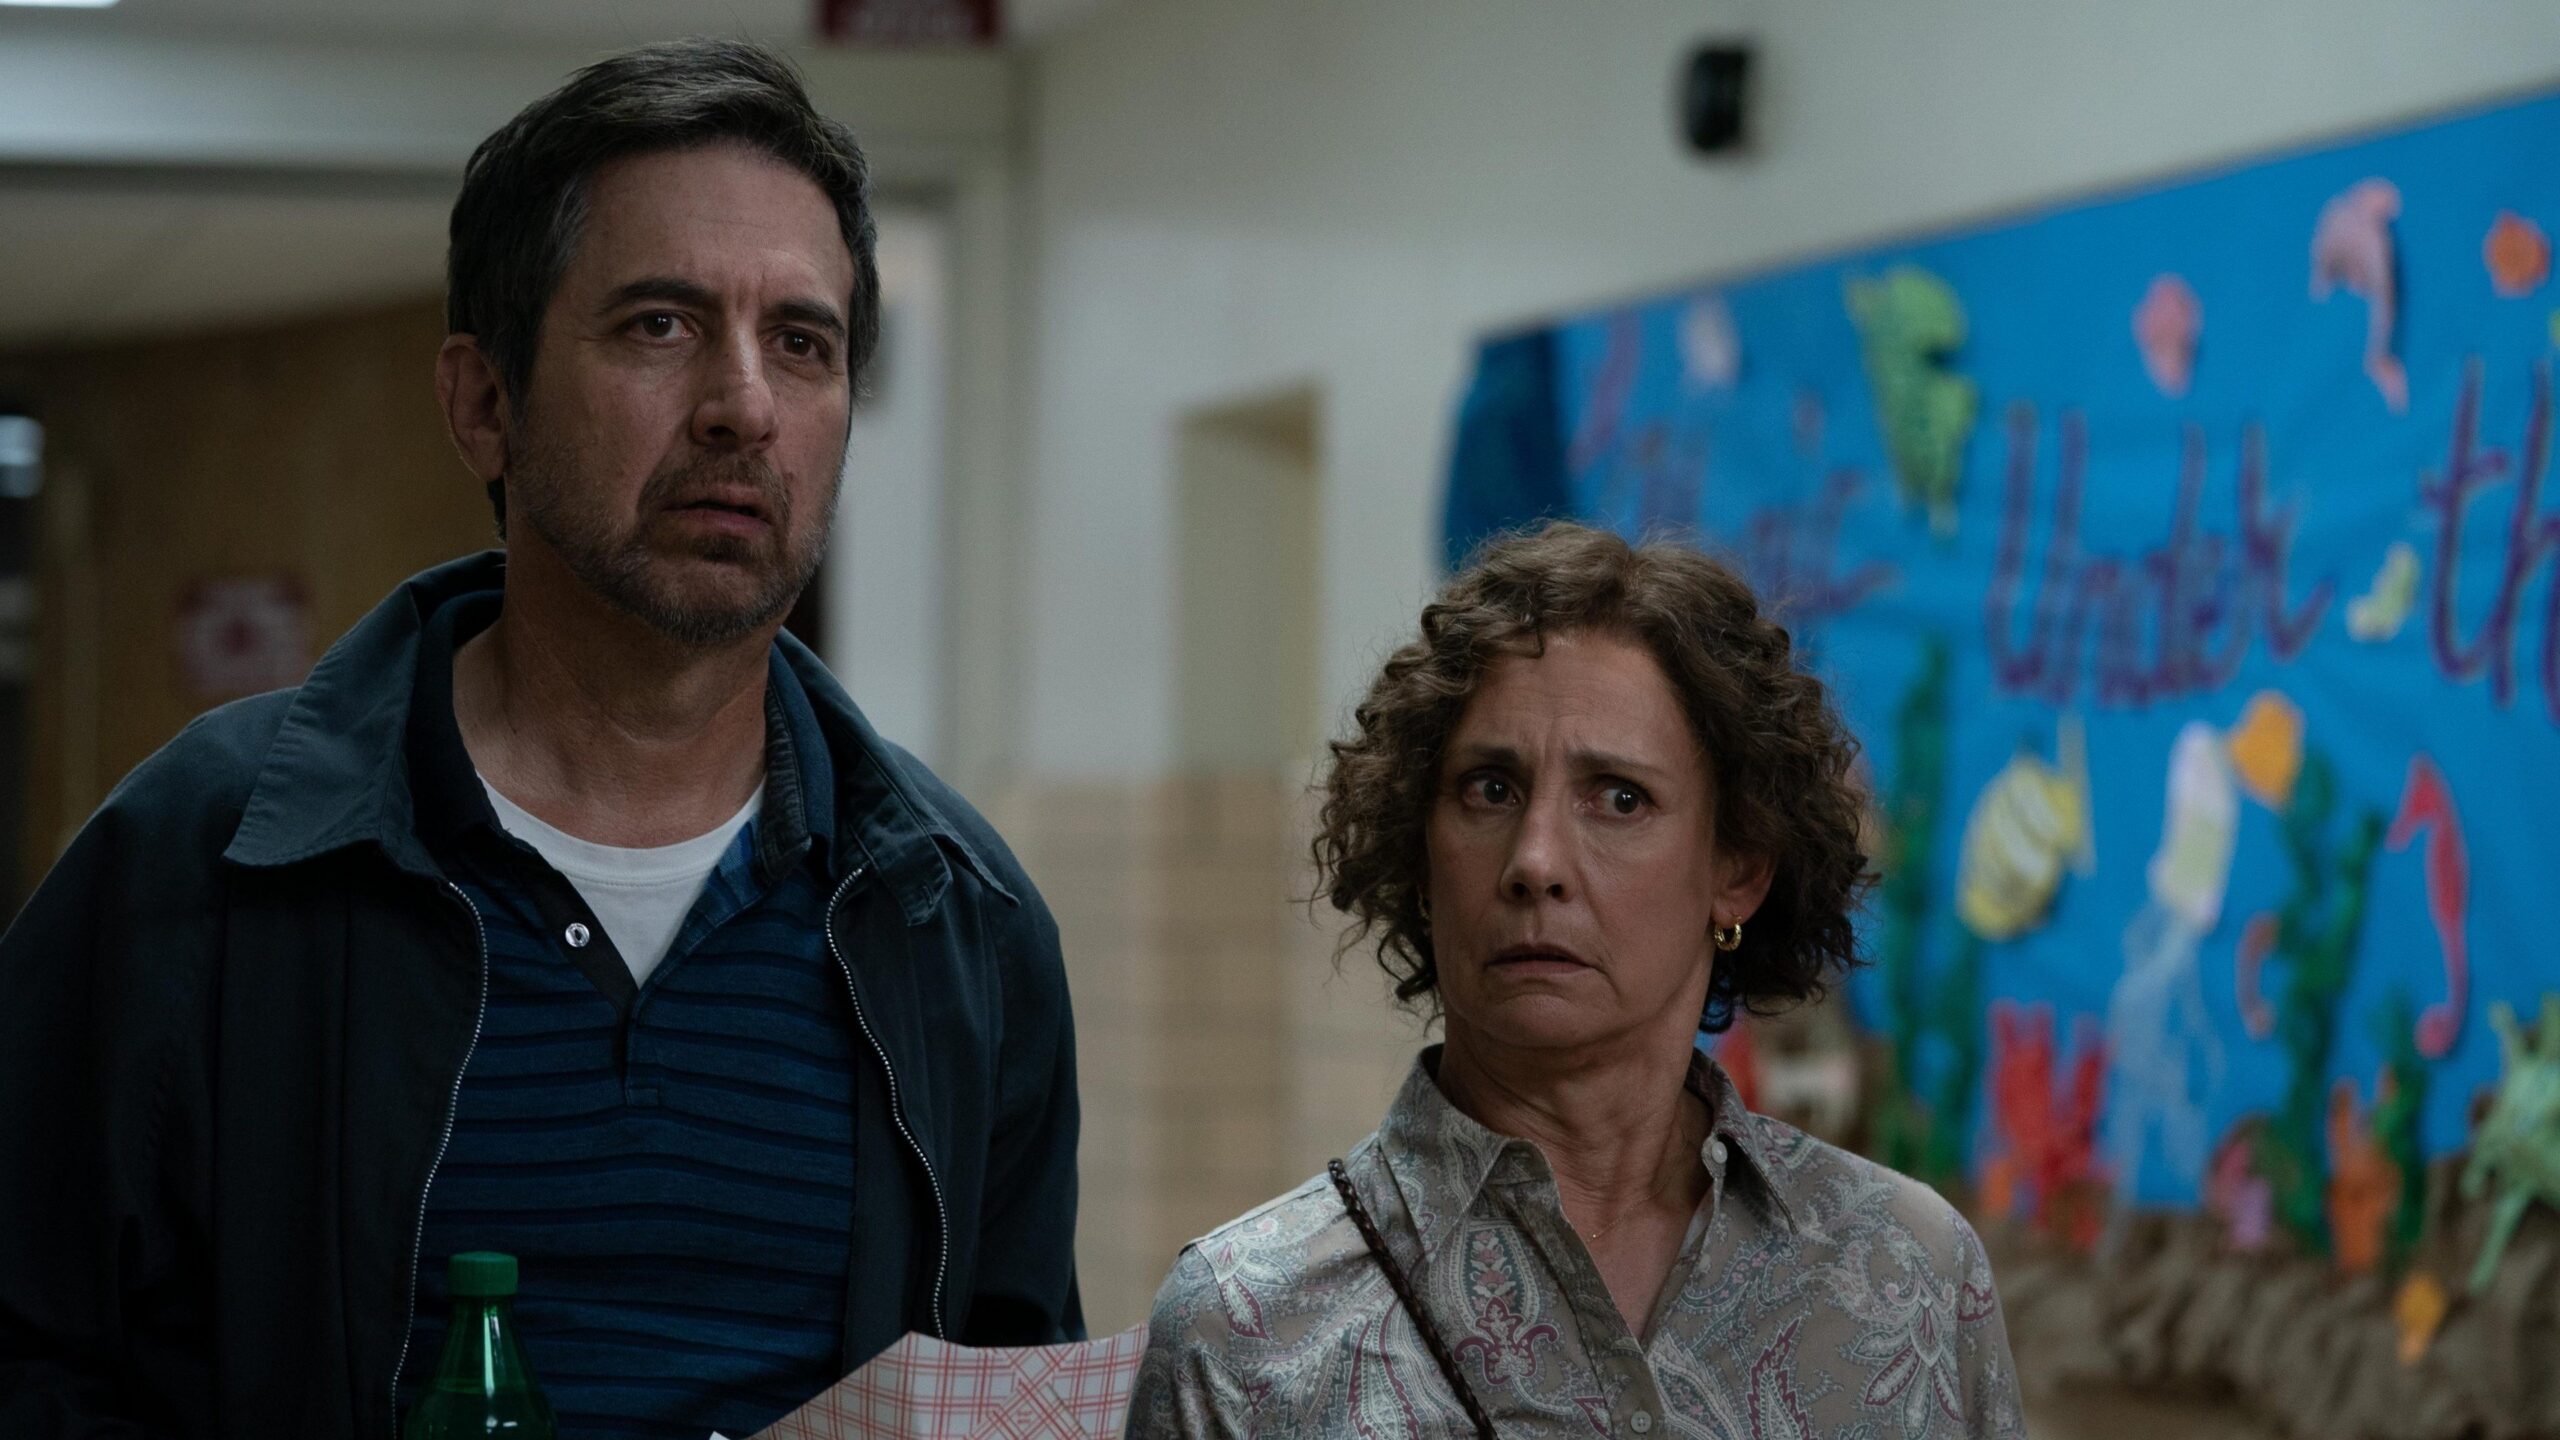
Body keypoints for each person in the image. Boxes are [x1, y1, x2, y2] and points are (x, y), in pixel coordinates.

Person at [0, 39, 1080, 1440]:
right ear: (483, 405)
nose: (744, 405)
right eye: (660, 325)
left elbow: (1013, 1392)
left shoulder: (957, 927)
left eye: (801, 344)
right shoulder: (202, 864)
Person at [1130, 522, 2023, 1439]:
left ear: (1738, 869)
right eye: (1489, 789)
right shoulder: (1247, 1330)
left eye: (1619, 798)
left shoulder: (1904, 1273)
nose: (1535, 860)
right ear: (1422, 851)